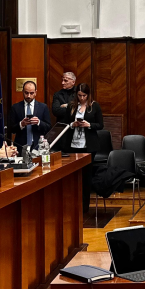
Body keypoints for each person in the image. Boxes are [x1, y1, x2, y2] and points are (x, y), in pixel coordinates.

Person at [63, 83, 103, 212]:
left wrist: (88, 125)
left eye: (84, 95)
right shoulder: (71, 106)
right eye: (79, 95)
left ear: (88, 95)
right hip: (73, 145)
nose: (82, 98)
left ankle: (85, 207)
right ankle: (73, 206)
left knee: (86, 176)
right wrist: (72, 124)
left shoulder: (94, 106)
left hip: (89, 145)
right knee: (74, 176)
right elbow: (64, 124)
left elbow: (100, 125)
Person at [8, 81, 52, 150]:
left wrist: (38, 122)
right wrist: (21, 124)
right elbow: (10, 129)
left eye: (31, 93)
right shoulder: (15, 107)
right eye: (26, 93)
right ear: (23, 92)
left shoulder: (43, 107)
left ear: (35, 92)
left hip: (38, 146)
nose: (28, 96)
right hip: (20, 146)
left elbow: (48, 127)